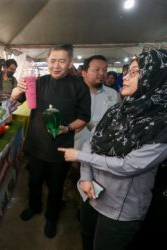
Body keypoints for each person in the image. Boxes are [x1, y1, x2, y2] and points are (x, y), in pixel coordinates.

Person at [58, 49, 167, 250]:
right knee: (86, 235)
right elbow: (91, 142)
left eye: (134, 72)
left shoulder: (160, 125)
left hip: (119, 209)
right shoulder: (118, 110)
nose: (124, 76)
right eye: (128, 71)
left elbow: (129, 165)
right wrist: (85, 177)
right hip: (92, 192)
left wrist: (79, 156)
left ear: (156, 77)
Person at [13, 44, 91, 238]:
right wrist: (17, 90)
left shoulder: (78, 85)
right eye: (53, 61)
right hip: (36, 144)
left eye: (62, 61)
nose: (56, 65)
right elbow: (16, 100)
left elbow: (84, 117)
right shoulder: (38, 83)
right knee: (34, 180)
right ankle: (34, 206)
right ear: (47, 61)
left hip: (61, 147)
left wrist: (68, 128)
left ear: (70, 63)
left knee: (56, 186)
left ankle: (51, 217)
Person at [75, 55, 120, 149]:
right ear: (84, 73)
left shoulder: (113, 94)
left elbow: (118, 120)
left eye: (105, 69)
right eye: (97, 69)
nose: (102, 73)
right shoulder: (73, 94)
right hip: (76, 149)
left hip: (102, 149)